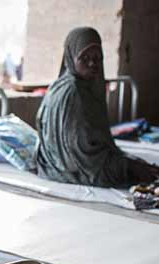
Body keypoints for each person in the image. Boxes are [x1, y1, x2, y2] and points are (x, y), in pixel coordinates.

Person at [35, 27, 159, 187]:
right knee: (135, 170)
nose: (92, 63)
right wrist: (125, 165)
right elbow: (80, 156)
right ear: (71, 57)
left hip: (61, 163)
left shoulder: (70, 85)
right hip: (73, 168)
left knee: (136, 165)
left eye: (97, 57)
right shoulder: (73, 92)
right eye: (84, 58)